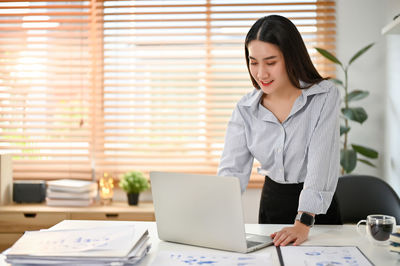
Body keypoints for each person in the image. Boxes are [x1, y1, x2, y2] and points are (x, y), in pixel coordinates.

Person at [217, 15, 341, 247]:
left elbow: (321, 163)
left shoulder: (323, 97)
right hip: (272, 204)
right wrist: (215, 216)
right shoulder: (245, 108)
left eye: (271, 62)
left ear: (291, 58)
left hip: (315, 214)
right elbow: (232, 171)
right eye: (253, 62)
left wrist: (303, 223)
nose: (261, 73)